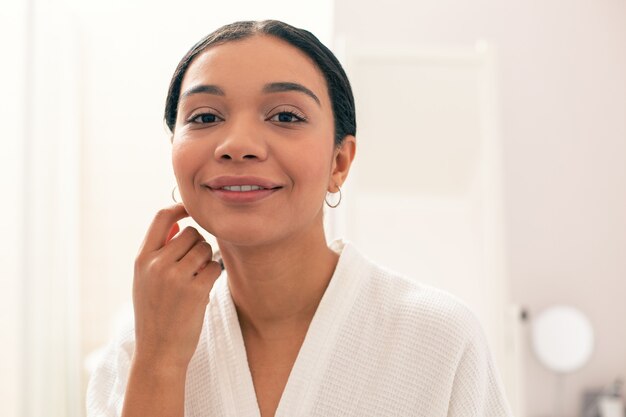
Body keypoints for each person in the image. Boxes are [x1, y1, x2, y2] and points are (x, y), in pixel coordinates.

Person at [86, 20, 513, 417]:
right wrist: (160, 360)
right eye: (205, 117)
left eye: (286, 116)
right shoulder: (136, 346)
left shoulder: (440, 339)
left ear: (339, 162)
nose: (238, 145)